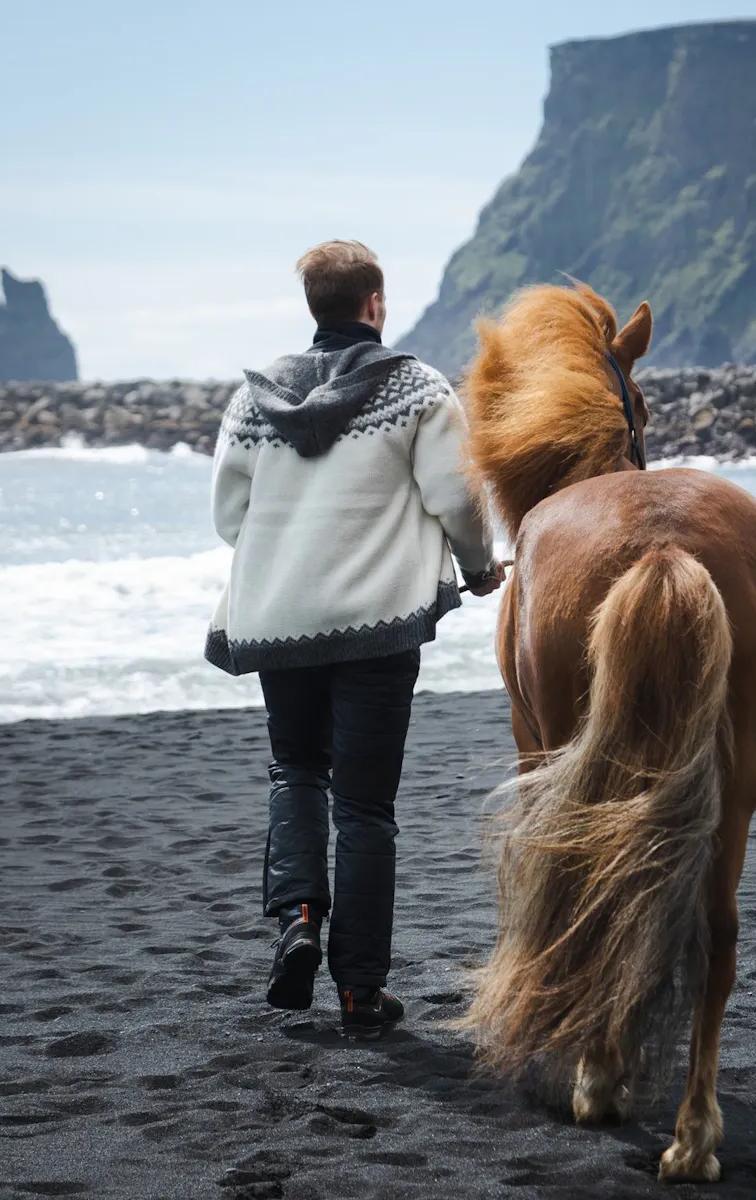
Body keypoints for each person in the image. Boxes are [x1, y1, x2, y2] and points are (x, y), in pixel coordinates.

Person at [204, 240, 504, 1038]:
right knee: (365, 809)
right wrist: (478, 571)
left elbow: (229, 518)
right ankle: (359, 994)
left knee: (295, 769)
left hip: (279, 624)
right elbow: (459, 502)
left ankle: (298, 918)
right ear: (374, 304)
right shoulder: (416, 389)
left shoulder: (252, 401)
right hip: (375, 631)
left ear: (315, 306)